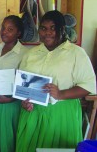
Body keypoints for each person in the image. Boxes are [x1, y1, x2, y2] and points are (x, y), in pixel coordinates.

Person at [16, 10, 96, 152]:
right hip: (33, 112)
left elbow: (88, 85)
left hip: (61, 114)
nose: (47, 33)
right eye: (43, 28)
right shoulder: (31, 53)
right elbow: (22, 83)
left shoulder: (76, 53)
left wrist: (60, 94)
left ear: (62, 30)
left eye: (53, 28)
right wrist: (25, 101)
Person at [0, 15, 28, 152]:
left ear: (18, 33)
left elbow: (25, 84)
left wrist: (11, 99)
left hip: (11, 105)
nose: (4, 32)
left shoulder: (24, 54)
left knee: (9, 143)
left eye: (10, 29)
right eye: (3, 28)